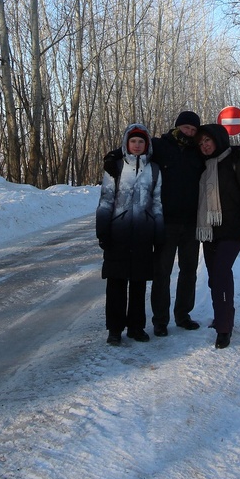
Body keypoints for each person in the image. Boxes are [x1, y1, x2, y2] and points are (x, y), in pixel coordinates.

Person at [194, 123, 240, 349]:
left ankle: (224, 328)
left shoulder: (236, 159)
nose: (204, 146)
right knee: (214, 278)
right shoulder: (203, 165)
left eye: (208, 141)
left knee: (222, 274)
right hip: (210, 230)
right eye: (201, 142)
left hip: (232, 230)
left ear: (218, 140)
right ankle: (222, 316)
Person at [95, 124, 164, 345]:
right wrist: (103, 230)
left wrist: (159, 233)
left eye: (141, 141)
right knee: (116, 284)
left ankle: (136, 327)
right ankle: (114, 329)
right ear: (126, 143)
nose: (136, 145)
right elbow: (106, 200)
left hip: (144, 234)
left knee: (138, 283)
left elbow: (158, 204)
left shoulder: (154, 170)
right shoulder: (114, 167)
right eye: (133, 141)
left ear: (146, 145)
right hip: (118, 234)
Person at [149, 110, 205, 336]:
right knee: (162, 272)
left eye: (193, 130)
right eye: (186, 128)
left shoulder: (198, 152)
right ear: (177, 126)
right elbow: (135, 150)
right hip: (166, 222)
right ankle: (160, 320)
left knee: (189, 270)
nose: (189, 132)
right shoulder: (160, 146)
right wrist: (114, 157)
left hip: (191, 222)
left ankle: (183, 315)